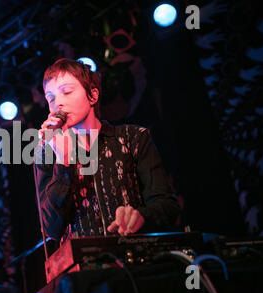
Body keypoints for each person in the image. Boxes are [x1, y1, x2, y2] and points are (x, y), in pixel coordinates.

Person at [34, 58, 181, 244]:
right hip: (83, 269)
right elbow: (51, 229)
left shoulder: (133, 137)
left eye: (67, 92)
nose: (58, 104)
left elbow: (167, 206)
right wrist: (63, 162)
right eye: (51, 98)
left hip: (135, 257)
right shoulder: (48, 153)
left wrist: (141, 216)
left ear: (93, 96)